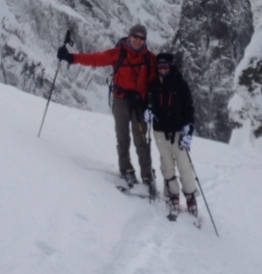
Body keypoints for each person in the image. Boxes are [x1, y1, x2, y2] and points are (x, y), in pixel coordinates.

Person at [57, 24, 156, 192]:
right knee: (122, 137)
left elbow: (155, 81)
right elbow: (96, 59)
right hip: (121, 101)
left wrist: (152, 100)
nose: (138, 41)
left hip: (140, 104)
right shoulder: (119, 53)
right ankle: (126, 169)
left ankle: (147, 175)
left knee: (141, 141)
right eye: (135, 37)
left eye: (142, 38)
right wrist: (72, 58)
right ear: (129, 36)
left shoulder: (150, 59)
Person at [145, 52, 198, 217]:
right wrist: (148, 111)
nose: (163, 69)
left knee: (184, 166)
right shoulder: (154, 85)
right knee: (166, 164)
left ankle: (190, 197)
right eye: (160, 66)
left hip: (179, 132)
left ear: (171, 66)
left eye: (165, 66)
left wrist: (189, 129)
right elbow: (149, 103)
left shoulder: (181, 85)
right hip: (160, 131)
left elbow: (189, 109)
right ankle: (172, 195)